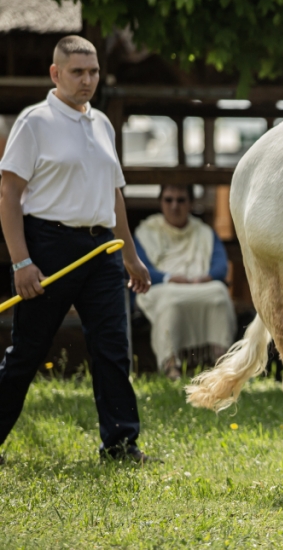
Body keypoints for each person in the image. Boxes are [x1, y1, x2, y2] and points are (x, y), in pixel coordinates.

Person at [0, 35, 154, 464]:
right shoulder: (34, 122)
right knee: (28, 351)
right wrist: (22, 261)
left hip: (102, 249)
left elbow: (115, 193)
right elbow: (8, 195)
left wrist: (129, 254)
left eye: (93, 72)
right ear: (55, 73)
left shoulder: (102, 123)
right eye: (77, 72)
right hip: (49, 246)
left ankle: (121, 444)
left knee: (113, 349)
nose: (87, 80)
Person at [134, 184, 236, 380]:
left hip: (200, 283)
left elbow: (220, 266)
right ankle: (171, 366)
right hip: (162, 287)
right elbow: (140, 268)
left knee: (220, 295)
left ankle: (220, 361)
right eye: (168, 200)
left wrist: (203, 278)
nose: (174, 206)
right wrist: (169, 278)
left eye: (180, 200)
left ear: (190, 203)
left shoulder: (204, 232)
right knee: (171, 301)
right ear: (161, 203)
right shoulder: (146, 232)